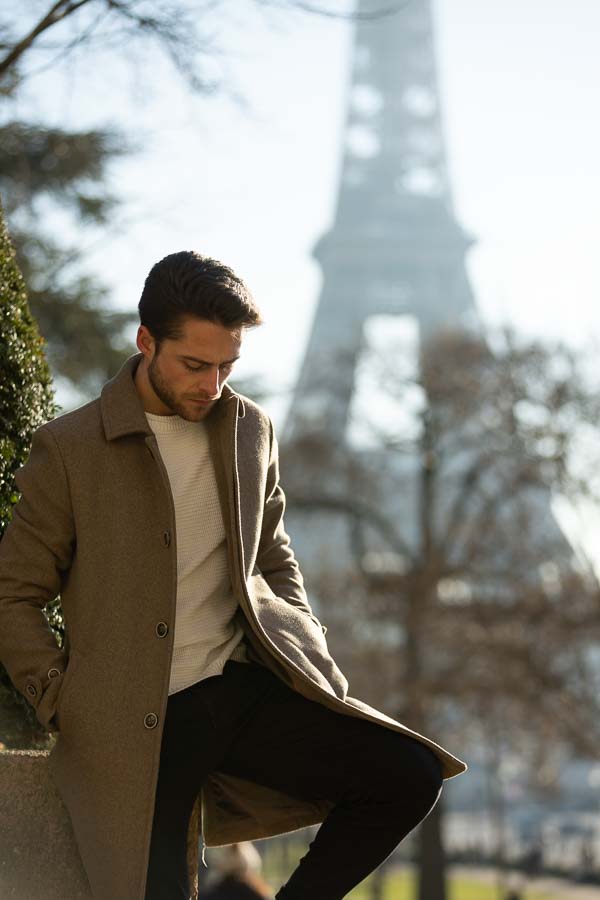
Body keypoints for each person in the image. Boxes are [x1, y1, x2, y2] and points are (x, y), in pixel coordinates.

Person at [0, 251, 467, 900]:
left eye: (226, 366)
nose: (211, 385)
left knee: (409, 775)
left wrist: (308, 641)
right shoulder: (72, 449)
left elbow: (273, 556)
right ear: (145, 342)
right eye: (195, 365)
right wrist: (60, 698)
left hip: (242, 688)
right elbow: (12, 592)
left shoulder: (251, 429)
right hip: (134, 718)